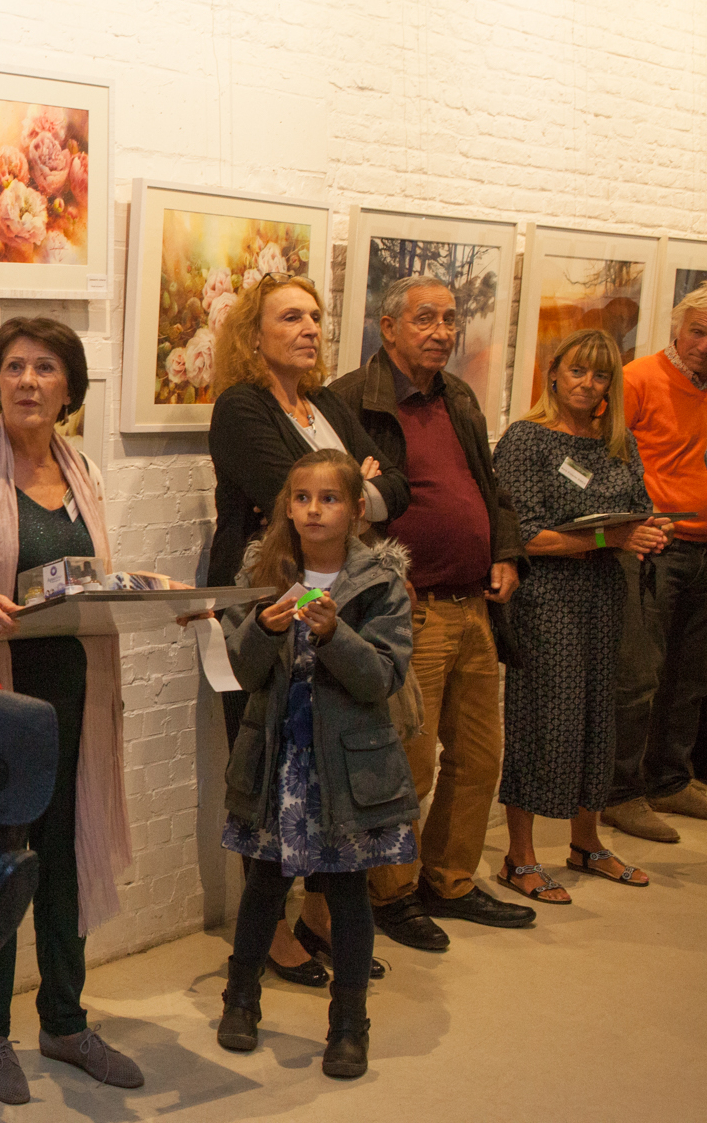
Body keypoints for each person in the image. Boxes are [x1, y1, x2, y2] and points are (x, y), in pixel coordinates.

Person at [0, 317, 139, 1102]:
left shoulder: (84, 472)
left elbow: (91, 576)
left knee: (65, 859)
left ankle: (64, 1019)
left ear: (69, 387)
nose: (28, 380)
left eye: (46, 367)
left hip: (76, 694)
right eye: (15, 366)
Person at [206, 274, 409, 983]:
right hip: (265, 594)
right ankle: (265, 927)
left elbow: (399, 484)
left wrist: (363, 491)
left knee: (332, 755)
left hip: (342, 597)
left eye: (315, 316)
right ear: (252, 333)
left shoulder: (325, 404)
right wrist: (356, 487)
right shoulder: (241, 407)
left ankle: (320, 913)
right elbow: (287, 494)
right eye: (291, 316)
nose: (310, 328)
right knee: (265, 759)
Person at [331, 274, 537, 947]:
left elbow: (489, 485)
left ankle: (448, 879)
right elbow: (335, 508)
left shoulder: (459, 397)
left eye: (449, 319)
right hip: (408, 614)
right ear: (388, 326)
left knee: (479, 757)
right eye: (426, 318)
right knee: (407, 766)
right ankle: (390, 893)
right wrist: (382, 580)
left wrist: (505, 551)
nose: (442, 332)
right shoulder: (351, 401)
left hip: (474, 606)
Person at [215, 450, 417, 1080]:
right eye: (301, 498)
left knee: (349, 893)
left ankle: (349, 1025)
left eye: (329, 499)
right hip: (278, 762)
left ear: (356, 509)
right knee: (264, 885)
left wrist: (335, 636)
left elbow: (381, 678)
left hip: (347, 768)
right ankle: (240, 1000)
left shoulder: (381, 581)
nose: (313, 510)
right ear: (287, 507)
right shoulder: (261, 573)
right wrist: (266, 630)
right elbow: (240, 671)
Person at [490, 329, 664, 902]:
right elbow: (522, 535)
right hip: (545, 599)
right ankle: (519, 857)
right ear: (554, 373)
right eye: (578, 371)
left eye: (601, 374)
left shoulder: (618, 442)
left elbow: (633, 512)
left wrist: (646, 532)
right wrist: (609, 537)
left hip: (606, 596)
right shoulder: (527, 439)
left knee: (598, 718)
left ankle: (586, 843)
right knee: (540, 719)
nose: (588, 384)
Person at [605, 285, 707, 841]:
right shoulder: (640, 378)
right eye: (698, 331)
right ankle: (622, 793)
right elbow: (607, 454)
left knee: (690, 675)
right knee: (640, 675)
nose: (705, 345)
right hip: (657, 546)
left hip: (703, 548)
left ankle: (670, 778)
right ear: (677, 329)